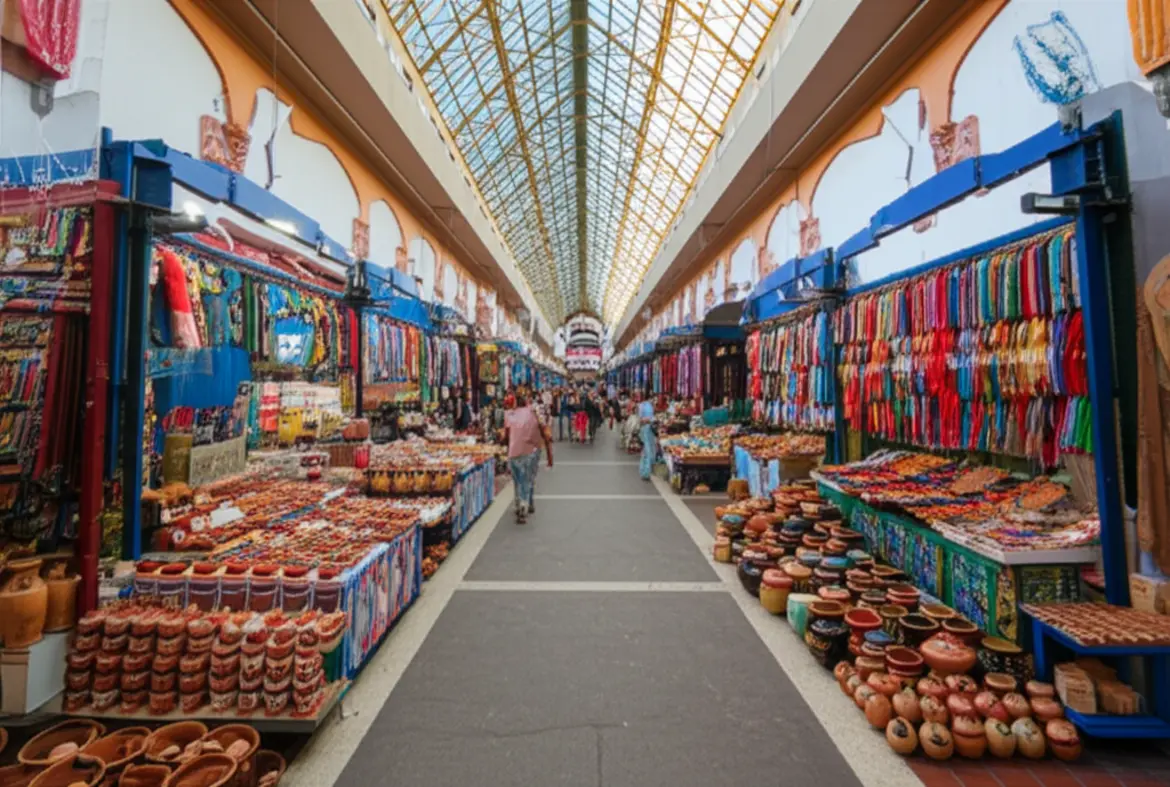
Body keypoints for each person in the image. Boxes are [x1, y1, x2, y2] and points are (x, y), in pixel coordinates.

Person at [504, 394, 553, 524]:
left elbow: (506, 435)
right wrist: (549, 456)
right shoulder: (534, 413)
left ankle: (519, 503)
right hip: (531, 451)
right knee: (528, 479)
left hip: (513, 452)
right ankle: (526, 504)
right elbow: (544, 430)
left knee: (518, 480)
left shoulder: (509, 415)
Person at [638, 394, 657, 480]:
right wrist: (651, 419)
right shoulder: (645, 406)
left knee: (647, 451)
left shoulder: (643, 405)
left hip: (647, 430)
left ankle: (645, 471)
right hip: (647, 430)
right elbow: (642, 419)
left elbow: (641, 419)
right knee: (648, 451)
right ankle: (646, 472)